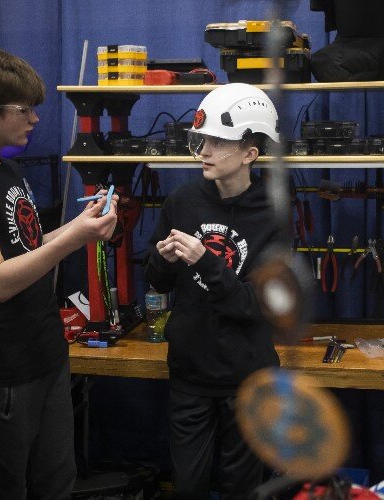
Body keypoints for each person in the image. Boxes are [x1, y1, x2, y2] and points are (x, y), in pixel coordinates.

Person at [0, 47, 118, 499]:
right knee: (11, 489)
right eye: (24, 110)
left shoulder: (5, 169)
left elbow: (29, 249)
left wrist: (85, 227)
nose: (34, 119)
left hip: (46, 355)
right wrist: (75, 238)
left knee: (56, 484)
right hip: (4, 372)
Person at [144, 83, 283, 499]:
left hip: (248, 378)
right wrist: (164, 259)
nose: (204, 150)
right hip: (190, 375)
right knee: (188, 488)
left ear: (249, 154)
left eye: (218, 142)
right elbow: (156, 282)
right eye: (202, 139)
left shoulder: (274, 215)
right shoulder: (182, 201)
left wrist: (206, 260)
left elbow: (256, 307)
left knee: (243, 488)